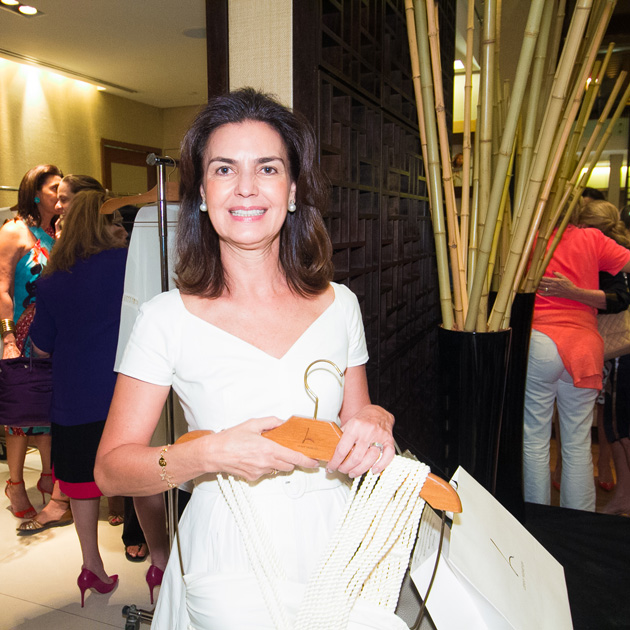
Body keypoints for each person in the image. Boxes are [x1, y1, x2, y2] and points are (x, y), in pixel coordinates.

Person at [95, 88, 396, 629]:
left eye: (268, 168)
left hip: (332, 537)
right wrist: (209, 453)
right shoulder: (166, 318)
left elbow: (357, 418)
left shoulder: (340, 305)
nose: (246, 187)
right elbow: (111, 470)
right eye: (224, 169)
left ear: (293, 189)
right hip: (227, 545)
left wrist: (375, 420)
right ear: (202, 193)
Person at [22, 189, 127, 605]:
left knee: (81, 485)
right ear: (105, 222)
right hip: (126, 391)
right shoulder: (124, 263)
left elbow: (41, 346)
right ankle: (160, 564)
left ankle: (91, 568)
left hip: (74, 396)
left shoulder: (52, 280)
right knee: (144, 481)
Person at [524, 200, 630, 511]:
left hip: (540, 341)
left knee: (535, 440)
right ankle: (577, 522)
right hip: (584, 346)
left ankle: (538, 522)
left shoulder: (528, 240)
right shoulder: (592, 239)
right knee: (578, 444)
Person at [0, 164, 63, 521]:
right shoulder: (15, 231)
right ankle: (15, 483)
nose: (60, 194)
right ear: (36, 193)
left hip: (55, 335)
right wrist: (7, 337)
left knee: (49, 410)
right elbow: (2, 288)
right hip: (21, 335)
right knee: (21, 413)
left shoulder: (59, 233)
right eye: (54, 188)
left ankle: (48, 477)